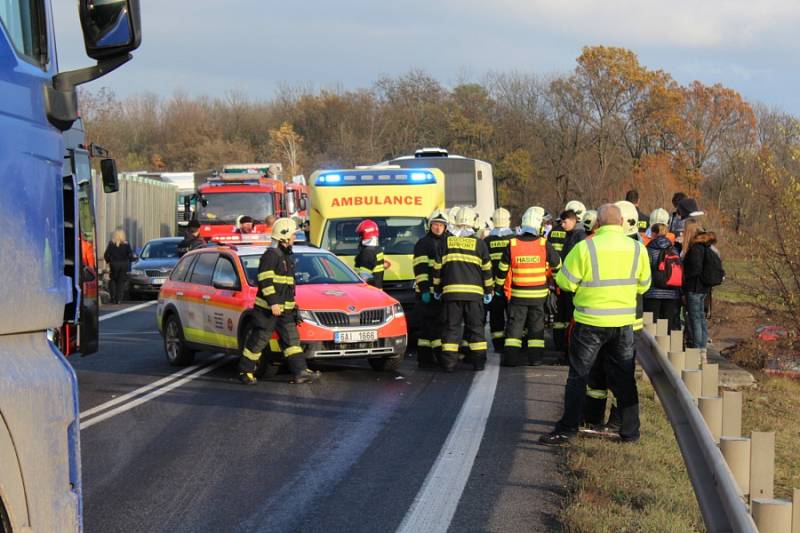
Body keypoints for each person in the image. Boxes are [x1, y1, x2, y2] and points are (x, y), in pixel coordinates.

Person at [539, 204, 651, 445]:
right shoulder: (637, 249)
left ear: (598, 223)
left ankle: (568, 428)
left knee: (579, 375)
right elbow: (644, 285)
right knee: (624, 378)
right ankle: (630, 431)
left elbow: (566, 283)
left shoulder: (585, 247)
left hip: (589, 322)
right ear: (622, 222)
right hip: (623, 324)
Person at [238, 218, 321, 385]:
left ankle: (301, 372)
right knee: (258, 341)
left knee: (292, 341)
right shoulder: (271, 256)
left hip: (285, 311)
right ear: (283, 237)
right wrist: (274, 303)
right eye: (292, 236)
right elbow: (265, 281)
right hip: (268, 310)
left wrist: (292, 305)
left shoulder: (285, 257)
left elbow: (286, 286)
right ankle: (245, 372)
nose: (293, 239)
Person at [496, 207, 561, 366]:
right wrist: (558, 286)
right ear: (538, 225)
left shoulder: (512, 244)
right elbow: (557, 266)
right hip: (539, 296)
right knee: (536, 328)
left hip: (518, 296)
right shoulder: (543, 243)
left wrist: (498, 289)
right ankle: (536, 359)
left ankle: (511, 359)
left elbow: (502, 269)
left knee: (515, 329)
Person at [433, 206, 493, 372]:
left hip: (451, 294)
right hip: (474, 295)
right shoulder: (479, 244)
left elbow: (437, 269)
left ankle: (449, 364)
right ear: (472, 223)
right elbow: (487, 271)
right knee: (476, 329)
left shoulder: (445, 243)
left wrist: (437, 289)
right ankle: (478, 363)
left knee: (451, 328)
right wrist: (488, 291)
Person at [413, 209, 450, 368]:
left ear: (446, 227)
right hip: (427, 292)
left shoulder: (449, 241)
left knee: (433, 327)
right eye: (435, 224)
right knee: (429, 326)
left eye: (441, 225)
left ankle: (428, 358)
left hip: (442, 292)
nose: (438, 228)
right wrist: (425, 289)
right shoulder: (423, 243)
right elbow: (420, 268)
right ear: (430, 226)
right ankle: (427, 359)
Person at [682, 219, 719, 362]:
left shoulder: (695, 248)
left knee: (695, 319)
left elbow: (695, 269)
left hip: (694, 288)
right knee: (701, 319)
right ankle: (703, 349)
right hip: (704, 289)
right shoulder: (706, 247)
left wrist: (686, 279)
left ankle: (698, 351)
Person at [550, 208, 586, 353]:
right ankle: (564, 345)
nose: (562, 225)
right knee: (563, 316)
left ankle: (569, 346)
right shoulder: (571, 235)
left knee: (570, 316)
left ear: (573, 220)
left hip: (573, 285)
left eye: (565, 222)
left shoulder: (578, 236)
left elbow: (574, 262)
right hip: (567, 283)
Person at [484, 208, 514, 351]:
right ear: (508, 220)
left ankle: (498, 345)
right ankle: (514, 344)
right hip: (511, 286)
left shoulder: (486, 241)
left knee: (496, 317)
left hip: (493, 286)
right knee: (514, 317)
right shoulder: (513, 240)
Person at [643, 223, 682, 331]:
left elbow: (646, 269)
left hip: (653, 293)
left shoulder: (649, 249)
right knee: (668, 326)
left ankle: (652, 347)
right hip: (671, 292)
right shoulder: (674, 250)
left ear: (654, 233)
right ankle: (667, 347)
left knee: (651, 326)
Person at [103, 229, 135, 304]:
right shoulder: (126, 245)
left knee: (113, 280)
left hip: (114, 265)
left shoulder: (111, 244)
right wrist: (131, 260)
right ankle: (119, 299)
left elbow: (106, 255)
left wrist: (109, 261)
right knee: (121, 282)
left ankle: (113, 297)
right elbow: (130, 255)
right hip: (123, 265)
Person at [354, 219, 385, 289]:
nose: (359, 237)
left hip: (367, 292)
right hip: (376, 290)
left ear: (366, 234)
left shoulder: (368, 252)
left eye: (360, 234)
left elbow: (364, 277)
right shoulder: (377, 249)